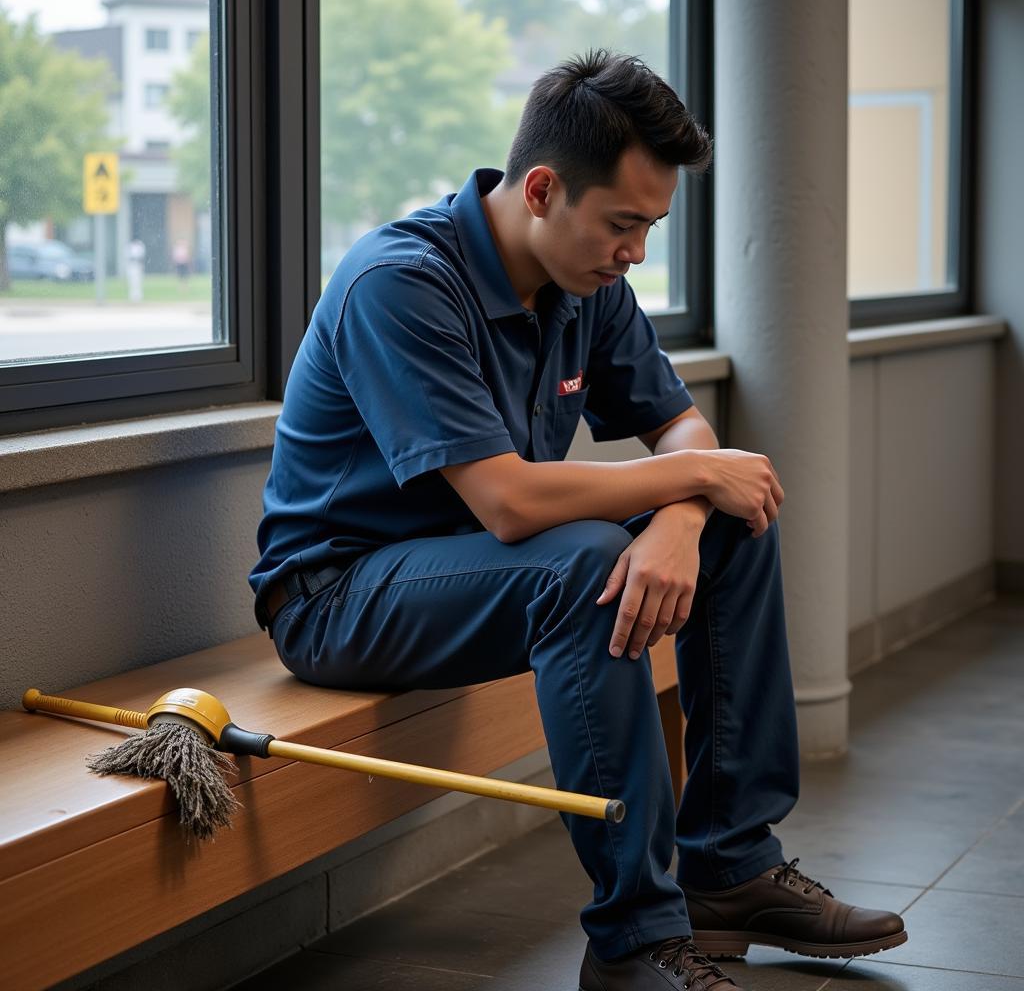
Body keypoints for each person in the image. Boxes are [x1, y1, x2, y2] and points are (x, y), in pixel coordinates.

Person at [250, 50, 906, 991]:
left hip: (475, 572)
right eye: (623, 224)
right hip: (341, 594)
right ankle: (635, 937)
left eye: (649, 228)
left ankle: (731, 867)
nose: (635, 250)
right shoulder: (401, 282)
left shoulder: (586, 286)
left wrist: (683, 516)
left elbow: (684, 430)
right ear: (545, 188)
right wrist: (692, 478)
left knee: (733, 521)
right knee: (589, 567)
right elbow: (511, 502)